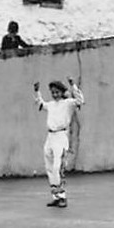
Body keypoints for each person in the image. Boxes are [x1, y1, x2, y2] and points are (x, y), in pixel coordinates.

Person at [33, 77, 84, 208]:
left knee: (57, 167)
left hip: (61, 136)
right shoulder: (50, 105)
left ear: (62, 92)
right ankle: (55, 196)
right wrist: (37, 91)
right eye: (53, 92)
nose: (55, 95)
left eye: (57, 92)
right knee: (49, 168)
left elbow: (80, 100)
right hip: (50, 137)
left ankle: (62, 197)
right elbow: (40, 103)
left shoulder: (68, 103)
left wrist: (73, 86)